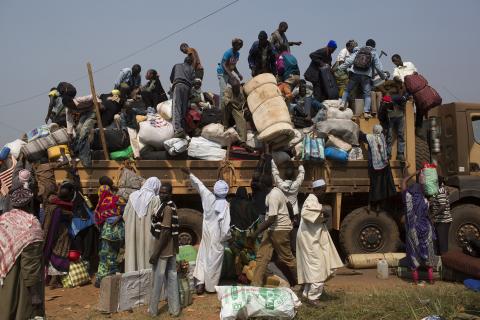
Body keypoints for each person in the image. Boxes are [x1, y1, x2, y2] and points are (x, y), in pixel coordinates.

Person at [181, 167, 231, 294]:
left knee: (202, 257)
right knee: (213, 261)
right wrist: (227, 238)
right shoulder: (225, 206)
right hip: (217, 237)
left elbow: (200, 185)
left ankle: (200, 284)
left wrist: (190, 173)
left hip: (207, 233)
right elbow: (225, 228)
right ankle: (210, 286)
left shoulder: (208, 197)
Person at [297, 179, 343, 306]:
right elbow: (306, 212)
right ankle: (313, 298)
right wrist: (322, 209)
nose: (324, 193)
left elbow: (313, 218)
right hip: (310, 241)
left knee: (313, 268)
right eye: (322, 190)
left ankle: (307, 294)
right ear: (316, 190)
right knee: (318, 269)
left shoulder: (313, 200)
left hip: (312, 239)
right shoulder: (311, 200)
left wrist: (322, 217)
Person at [0, 189, 45, 319]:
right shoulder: (31, 225)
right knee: (22, 313)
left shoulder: (3, 220)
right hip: (22, 285)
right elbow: (30, 264)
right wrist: (35, 295)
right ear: (30, 204)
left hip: (4, 279)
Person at [250, 175, 297, 287]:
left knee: (287, 258)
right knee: (262, 256)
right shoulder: (277, 191)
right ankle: (255, 284)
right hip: (272, 229)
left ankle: (303, 281)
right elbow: (289, 204)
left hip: (279, 229)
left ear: (263, 185)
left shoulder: (273, 196)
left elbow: (271, 219)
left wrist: (255, 233)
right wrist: (291, 217)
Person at [148, 182, 181, 317]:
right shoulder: (170, 205)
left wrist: (156, 253)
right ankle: (175, 309)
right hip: (171, 248)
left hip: (163, 250)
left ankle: (153, 310)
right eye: (160, 192)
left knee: (157, 280)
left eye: (165, 192)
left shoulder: (167, 208)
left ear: (170, 194)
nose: (162, 194)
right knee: (172, 278)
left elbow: (165, 232)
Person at [339, 39, 387, 118]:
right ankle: (366, 112)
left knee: (347, 90)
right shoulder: (373, 52)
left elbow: (349, 61)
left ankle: (342, 103)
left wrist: (341, 68)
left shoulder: (359, 50)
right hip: (365, 76)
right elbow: (378, 67)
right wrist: (383, 76)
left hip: (354, 73)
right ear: (374, 46)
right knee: (367, 95)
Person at [402, 171, 436, 284]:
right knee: (429, 254)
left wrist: (412, 174)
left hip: (413, 230)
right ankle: (431, 281)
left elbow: (404, 182)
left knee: (414, 255)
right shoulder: (425, 200)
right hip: (426, 228)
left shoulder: (408, 199)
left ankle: (415, 282)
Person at [123, 177, 161, 272]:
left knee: (133, 252)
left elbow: (125, 216)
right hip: (148, 233)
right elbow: (157, 217)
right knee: (147, 253)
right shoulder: (155, 199)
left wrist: (133, 224)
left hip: (132, 233)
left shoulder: (132, 196)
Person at [94, 176, 126, 287]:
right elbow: (124, 210)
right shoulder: (117, 199)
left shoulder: (101, 202)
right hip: (119, 232)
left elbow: (98, 217)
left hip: (107, 232)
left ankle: (101, 278)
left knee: (104, 255)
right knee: (116, 254)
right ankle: (114, 277)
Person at [43, 181, 75, 289]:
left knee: (52, 255)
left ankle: (49, 279)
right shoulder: (64, 208)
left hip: (50, 234)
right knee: (59, 255)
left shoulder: (51, 204)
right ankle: (54, 280)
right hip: (61, 234)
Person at [359, 125, 396, 209]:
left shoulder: (370, 138)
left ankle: (371, 204)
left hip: (374, 166)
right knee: (381, 185)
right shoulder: (383, 138)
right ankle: (379, 205)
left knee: (374, 185)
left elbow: (361, 136)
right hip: (384, 165)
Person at [62, 94, 102, 166]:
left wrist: (98, 104)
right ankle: (77, 152)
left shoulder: (80, 100)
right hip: (84, 114)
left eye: (70, 105)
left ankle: (85, 159)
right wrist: (70, 133)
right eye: (68, 106)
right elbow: (69, 120)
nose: (70, 107)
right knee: (78, 129)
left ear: (72, 102)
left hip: (93, 110)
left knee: (84, 132)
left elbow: (93, 96)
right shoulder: (68, 108)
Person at [170, 57, 196, 138]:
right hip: (187, 88)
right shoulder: (192, 69)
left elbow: (171, 78)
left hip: (178, 85)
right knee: (183, 109)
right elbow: (193, 81)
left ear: (184, 60)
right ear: (191, 63)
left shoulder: (177, 65)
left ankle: (177, 129)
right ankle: (183, 128)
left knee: (177, 107)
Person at [429, 177, 453, 255]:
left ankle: (445, 264)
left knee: (443, 246)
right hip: (439, 221)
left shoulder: (440, 191)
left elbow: (442, 207)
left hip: (443, 222)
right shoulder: (438, 190)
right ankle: (440, 263)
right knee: (437, 244)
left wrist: (432, 216)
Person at [217, 38, 243, 108]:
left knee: (237, 84)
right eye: (238, 45)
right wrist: (231, 75)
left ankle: (235, 102)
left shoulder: (237, 54)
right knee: (223, 91)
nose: (239, 47)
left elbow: (233, 66)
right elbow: (223, 64)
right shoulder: (228, 53)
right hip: (222, 73)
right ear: (234, 45)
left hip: (229, 73)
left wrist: (238, 74)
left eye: (240, 45)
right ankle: (221, 109)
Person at [380, 95, 406, 161]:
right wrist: (385, 126)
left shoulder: (396, 97)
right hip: (391, 119)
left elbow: (404, 98)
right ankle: (388, 154)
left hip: (400, 117)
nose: (386, 105)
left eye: (387, 104)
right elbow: (381, 117)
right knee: (389, 136)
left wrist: (402, 106)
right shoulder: (383, 106)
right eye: (385, 103)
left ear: (391, 101)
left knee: (401, 135)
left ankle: (400, 154)